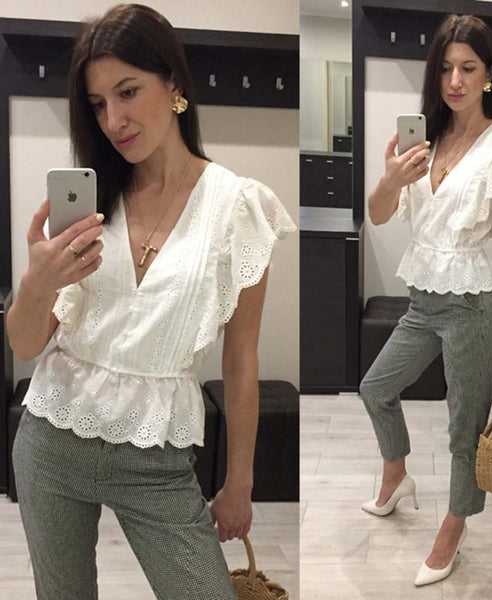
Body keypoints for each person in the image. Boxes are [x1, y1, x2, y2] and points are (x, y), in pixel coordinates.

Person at [7, 4, 296, 600]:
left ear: (174, 84)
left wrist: (240, 481)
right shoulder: (91, 201)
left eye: (128, 91)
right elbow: (26, 344)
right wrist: (36, 282)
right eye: (97, 104)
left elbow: (241, 359)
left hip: (156, 457)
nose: (113, 120)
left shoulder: (239, 207)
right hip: (52, 439)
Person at [359, 14, 492, 587]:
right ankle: (396, 474)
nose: (455, 81)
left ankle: (454, 526)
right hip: (422, 301)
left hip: (472, 306)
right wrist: (391, 179)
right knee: (375, 387)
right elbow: (379, 215)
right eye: (445, 68)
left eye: (468, 68)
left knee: (464, 428)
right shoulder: (425, 142)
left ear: (489, 75)